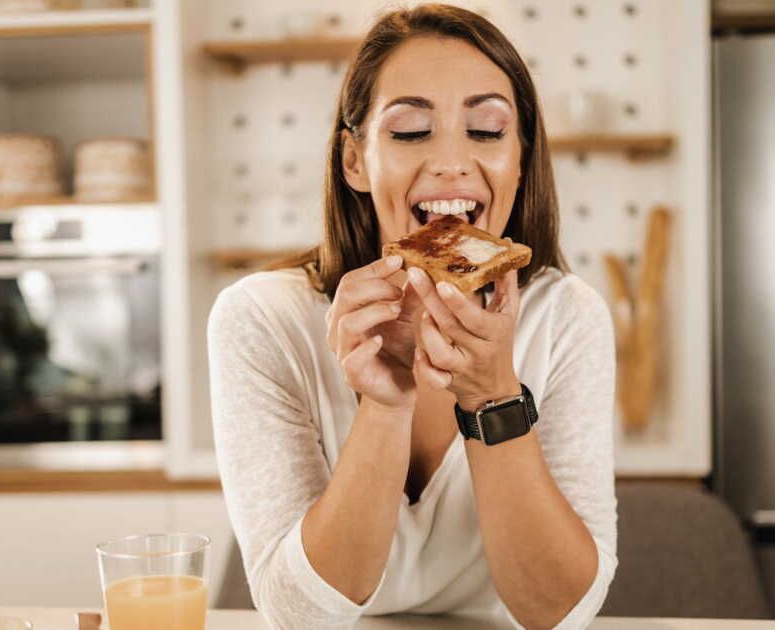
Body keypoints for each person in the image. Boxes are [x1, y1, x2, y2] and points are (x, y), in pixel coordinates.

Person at [207, 5, 617, 629]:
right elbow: (299, 616)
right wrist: (386, 403)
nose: (452, 162)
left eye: (485, 131)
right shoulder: (261, 320)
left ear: (521, 161)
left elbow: (562, 614)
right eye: (409, 131)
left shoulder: (567, 318)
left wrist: (492, 395)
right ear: (354, 160)